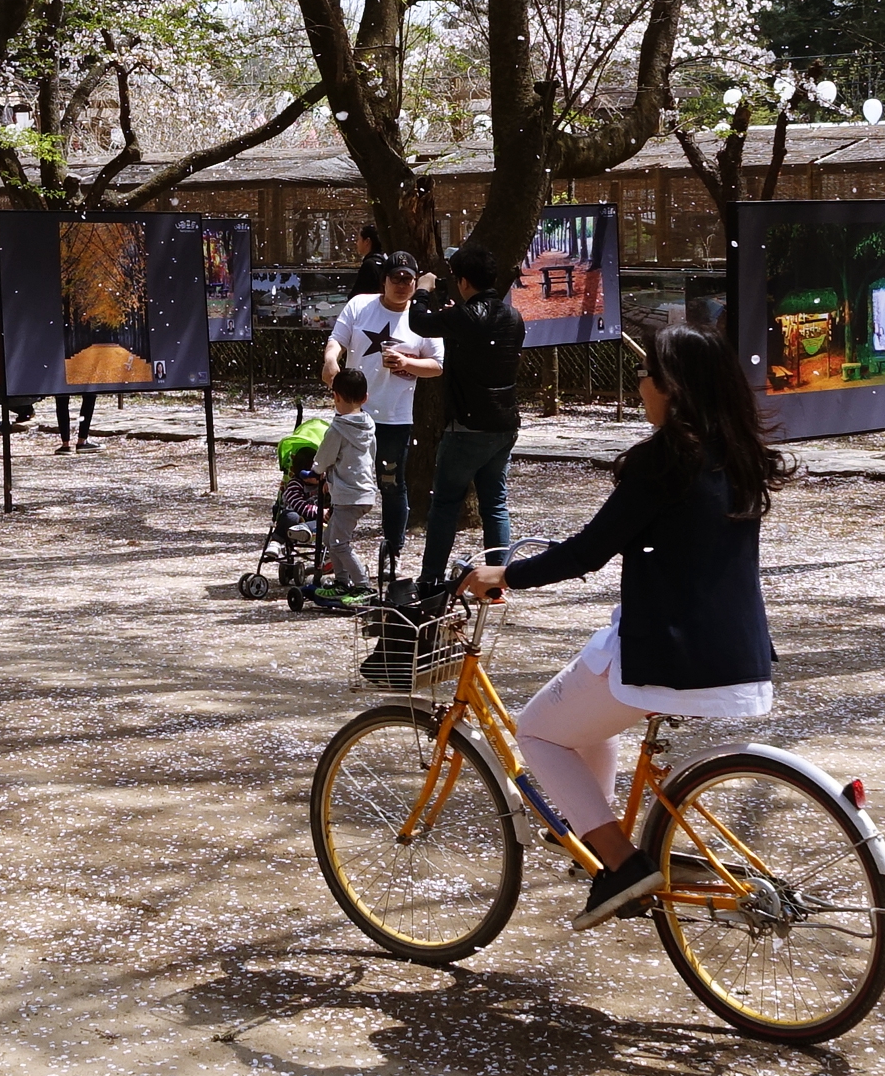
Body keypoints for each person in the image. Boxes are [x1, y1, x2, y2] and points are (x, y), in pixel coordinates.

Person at [463, 323, 788, 929]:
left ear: (674, 389)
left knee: (537, 731)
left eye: (647, 376)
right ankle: (599, 830)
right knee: (587, 699)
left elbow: (589, 551)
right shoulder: (740, 456)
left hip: (665, 656)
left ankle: (620, 862)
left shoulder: (666, 462)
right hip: (738, 655)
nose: (639, 385)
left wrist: (504, 574)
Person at [411, 244, 527, 590]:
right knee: (495, 503)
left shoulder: (464, 317)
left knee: (446, 503)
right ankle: (499, 580)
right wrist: (454, 317)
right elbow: (480, 346)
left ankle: (430, 578)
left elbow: (418, 322)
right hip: (504, 424)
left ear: (463, 282)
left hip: (466, 426)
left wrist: (422, 289)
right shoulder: (513, 317)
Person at [322, 254, 443, 575]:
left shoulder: (422, 318)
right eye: (396, 279)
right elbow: (337, 340)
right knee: (340, 482)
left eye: (408, 279)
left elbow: (437, 365)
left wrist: (407, 364)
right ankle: (333, 549)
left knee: (391, 484)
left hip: (394, 418)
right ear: (384, 281)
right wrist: (331, 359)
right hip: (353, 415)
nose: (402, 285)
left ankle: (393, 551)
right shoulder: (361, 305)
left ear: (415, 282)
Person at [310, 364, 379, 590]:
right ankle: (341, 581)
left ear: (335, 396)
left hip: (349, 496)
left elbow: (325, 455)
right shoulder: (368, 426)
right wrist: (333, 481)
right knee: (331, 538)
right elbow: (368, 457)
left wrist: (316, 472)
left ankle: (362, 585)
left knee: (339, 543)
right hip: (362, 491)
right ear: (366, 397)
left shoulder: (338, 429)